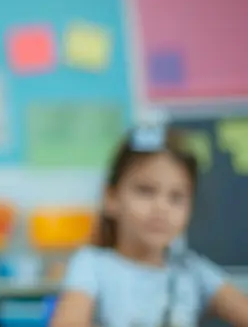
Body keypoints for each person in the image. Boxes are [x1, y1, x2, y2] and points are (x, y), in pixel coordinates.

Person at [49, 126, 248, 327]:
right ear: (111, 197)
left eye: (176, 197)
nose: (161, 208)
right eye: (145, 191)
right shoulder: (92, 265)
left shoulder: (195, 272)